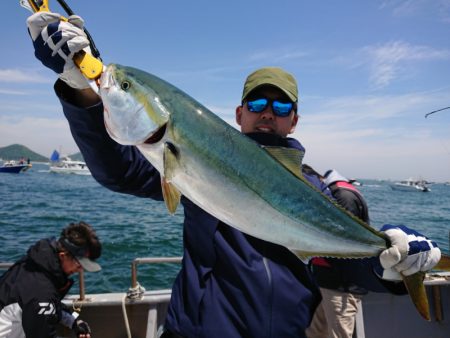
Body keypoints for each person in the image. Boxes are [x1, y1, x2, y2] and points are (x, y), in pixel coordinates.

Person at [25, 12, 441, 338]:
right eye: (258, 103)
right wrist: (81, 91)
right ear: (239, 114)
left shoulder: (315, 190)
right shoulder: (190, 165)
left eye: (280, 108)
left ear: (293, 121)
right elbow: (118, 170)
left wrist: (392, 265)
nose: (267, 113)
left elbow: (347, 269)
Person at [305, 169, 407, 338]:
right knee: (316, 332)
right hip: (331, 282)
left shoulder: (341, 195)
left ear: (317, 179)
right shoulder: (342, 191)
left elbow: (342, 240)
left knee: (339, 333)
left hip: (342, 284)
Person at [0, 221, 102, 338]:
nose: (80, 270)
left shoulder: (37, 265)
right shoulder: (40, 290)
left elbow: (53, 305)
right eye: (79, 265)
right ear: (63, 255)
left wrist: (75, 321)